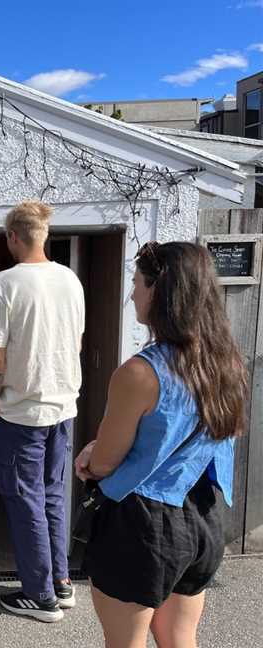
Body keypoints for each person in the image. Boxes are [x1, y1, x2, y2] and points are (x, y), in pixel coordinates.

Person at [74, 241, 245, 648]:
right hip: (204, 513)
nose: (132, 293)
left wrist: (88, 456)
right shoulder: (226, 362)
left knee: (125, 641)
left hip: (143, 523)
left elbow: (106, 462)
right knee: (179, 638)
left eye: (137, 283)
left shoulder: (140, 372)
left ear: (160, 291)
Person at [0, 200, 85, 622]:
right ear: (45, 235)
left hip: (22, 410)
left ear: (13, 237)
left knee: (24, 498)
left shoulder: (5, 284)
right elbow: (74, 343)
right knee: (52, 494)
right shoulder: (70, 280)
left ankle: (40, 596)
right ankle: (60, 581)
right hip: (63, 404)